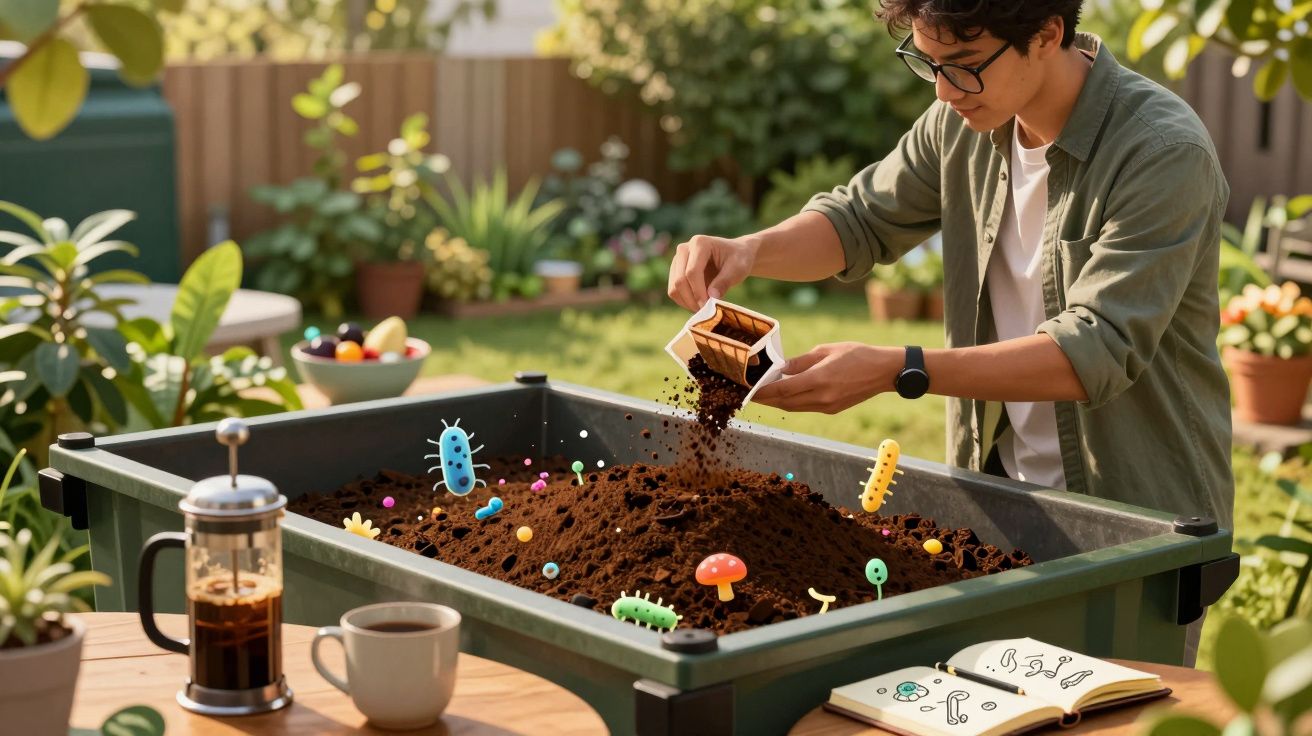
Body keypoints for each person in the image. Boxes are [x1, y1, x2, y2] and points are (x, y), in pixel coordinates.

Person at [665, 0, 1233, 666]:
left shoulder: (1161, 150)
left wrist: (898, 366)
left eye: (963, 67)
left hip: (1136, 522)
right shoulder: (961, 122)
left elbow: (1097, 349)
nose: (942, 90)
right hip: (998, 500)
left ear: (1047, 34)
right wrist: (750, 250)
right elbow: (859, 220)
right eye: (926, 63)